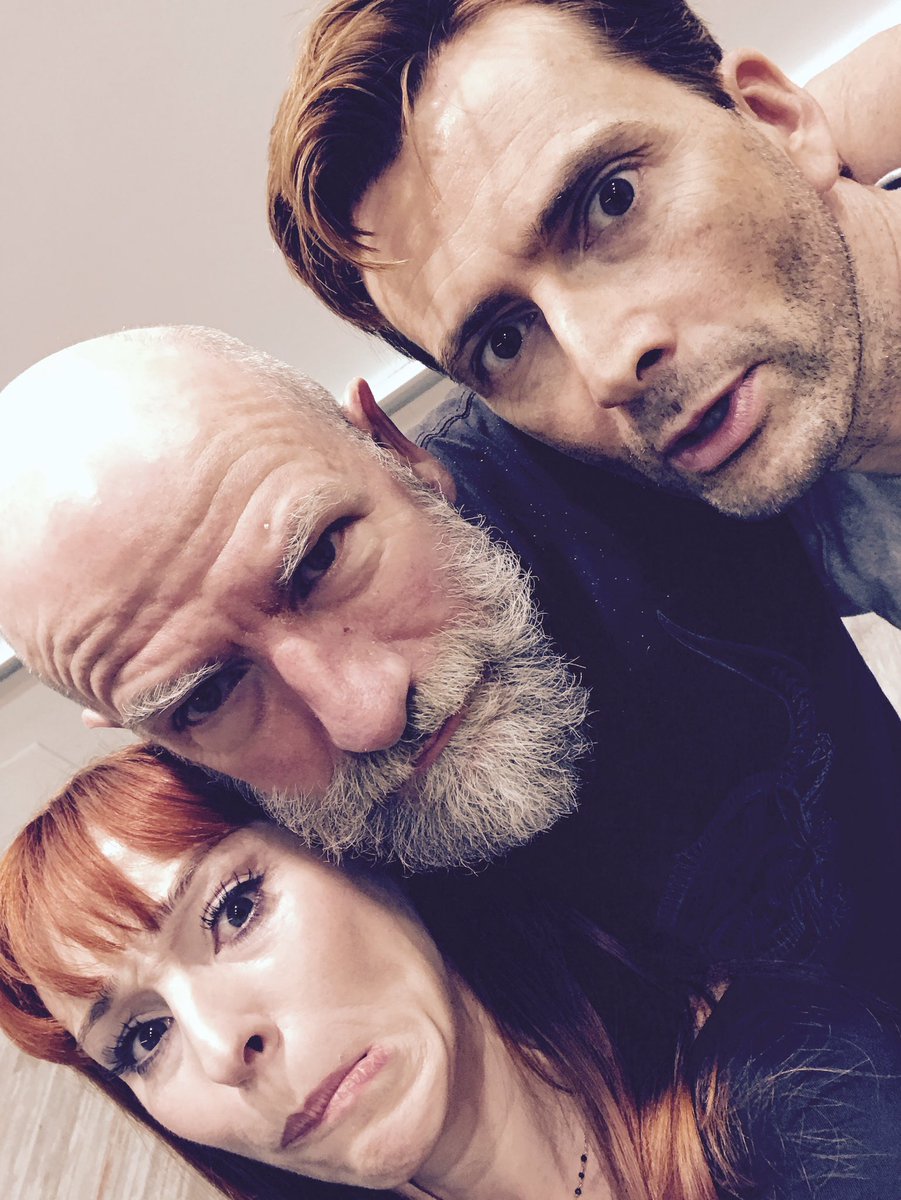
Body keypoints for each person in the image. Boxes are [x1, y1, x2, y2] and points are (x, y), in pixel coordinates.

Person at [3, 325, 901, 1009]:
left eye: (320, 560)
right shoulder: (237, 874)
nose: (369, 716)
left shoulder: (611, 449)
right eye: (206, 696)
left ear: (395, 453)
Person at [3, 745, 901, 1200]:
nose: (220, 1047)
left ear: (360, 850)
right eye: (141, 1038)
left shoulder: (795, 1090)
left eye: (233, 909)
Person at [267, 1, 901, 622]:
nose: (606, 369)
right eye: (505, 342)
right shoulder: (803, 522)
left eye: (612, 200)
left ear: (772, 116)